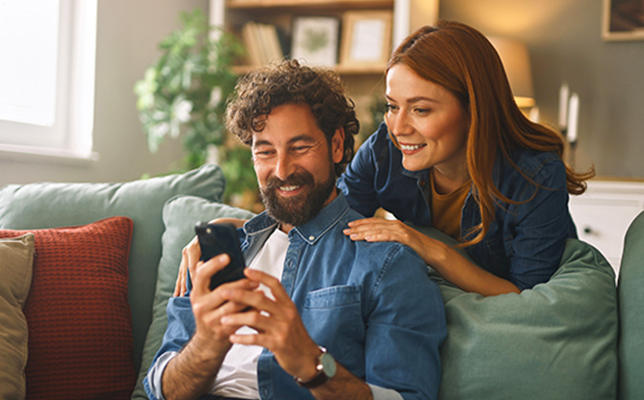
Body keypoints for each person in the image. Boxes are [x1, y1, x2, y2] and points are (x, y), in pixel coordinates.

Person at [175, 20, 594, 298]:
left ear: (473, 109)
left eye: (422, 109)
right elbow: (327, 214)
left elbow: (528, 298)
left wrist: (428, 247)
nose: (399, 126)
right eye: (393, 106)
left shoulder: (534, 175)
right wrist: (239, 228)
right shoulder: (385, 150)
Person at [145, 60, 447, 400]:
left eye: (300, 148)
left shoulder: (386, 263)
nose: (282, 169)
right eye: (265, 152)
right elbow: (161, 388)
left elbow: (408, 396)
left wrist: (311, 363)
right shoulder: (218, 254)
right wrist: (207, 342)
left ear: (336, 146)